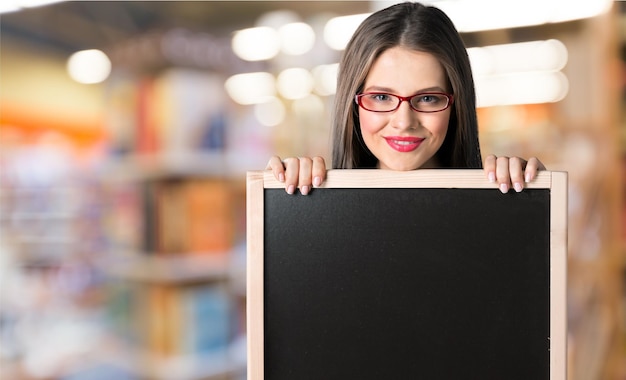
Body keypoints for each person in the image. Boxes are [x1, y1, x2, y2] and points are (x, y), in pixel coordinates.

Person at [267, 1, 545, 195]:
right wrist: (284, 194)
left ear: (456, 106)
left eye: (427, 99)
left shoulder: (500, 199)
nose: (403, 122)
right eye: (380, 97)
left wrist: (533, 195)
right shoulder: (316, 207)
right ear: (352, 105)